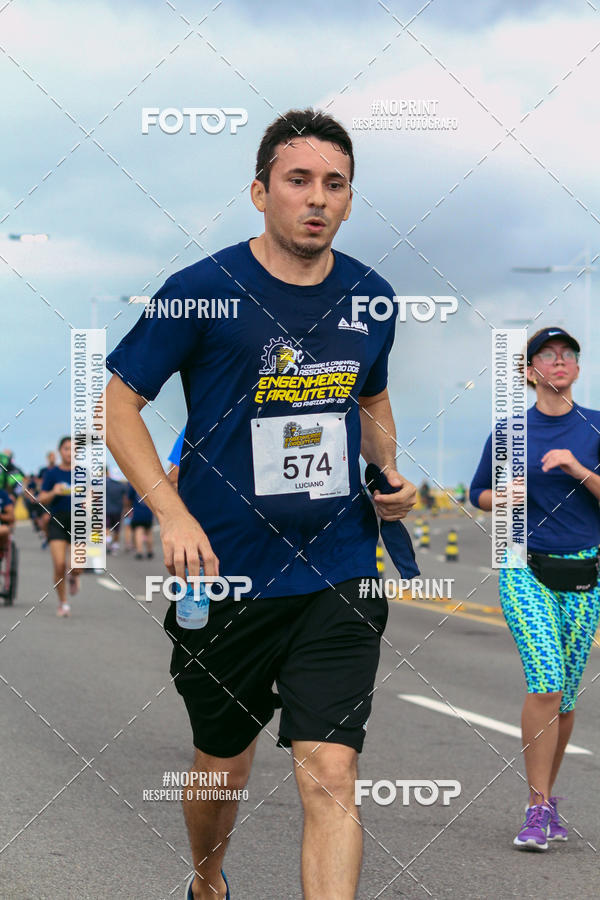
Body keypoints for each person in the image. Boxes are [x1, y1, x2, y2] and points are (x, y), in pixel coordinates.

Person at [105, 107, 416, 900]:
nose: (317, 198)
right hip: (226, 574)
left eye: (335, 184)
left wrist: (390, 475)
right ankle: (208, 880)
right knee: (221, 760)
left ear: (350, 200)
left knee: (331, 773)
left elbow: (372, 400)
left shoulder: (371, 297)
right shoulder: (201, 291)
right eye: (299, 180)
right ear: (260, 192)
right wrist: (171, 512)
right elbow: (117, 405)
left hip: (339, 569)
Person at [470, 326, 600, 851]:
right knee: (545, 683)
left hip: (584, 574)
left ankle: (548, 800)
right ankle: (536, 806)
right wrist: (502, 498)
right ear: (529, 373)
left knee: (566, 700)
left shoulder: (595, 428)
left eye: (568, 353)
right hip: (525, 569)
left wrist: (578, 469)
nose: (560, 360)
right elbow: (479, 492)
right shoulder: (509, 433)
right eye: (547, 355)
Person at [38, 436, 81, 616]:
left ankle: (74, 576)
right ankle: (63, 603)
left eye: (73, 449)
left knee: (76, 566)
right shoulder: (52, 474)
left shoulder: (82, 473)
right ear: (60, 451)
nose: (69, 452)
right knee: (59, 564)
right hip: (58, 521)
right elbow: (41, 498)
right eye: (66, 448)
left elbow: (94, 498)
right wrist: (54, 492)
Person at [127, 483, 154, 559]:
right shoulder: (149, 485)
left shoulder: (134, 485)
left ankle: (139, 551)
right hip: (148, 511)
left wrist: (128, 509)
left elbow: (129, 499)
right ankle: (150, 551)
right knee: (148, 531)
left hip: (137, 511)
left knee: (139, 531)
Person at [105, 467, 128, 554]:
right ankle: (114, 546)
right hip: (118, 510)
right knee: (116, 530)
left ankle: (108, 541)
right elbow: (125, 499)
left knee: (106, 528)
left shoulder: (104, 484)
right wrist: (126, 509)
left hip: (106, 510)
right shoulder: (121, 485)